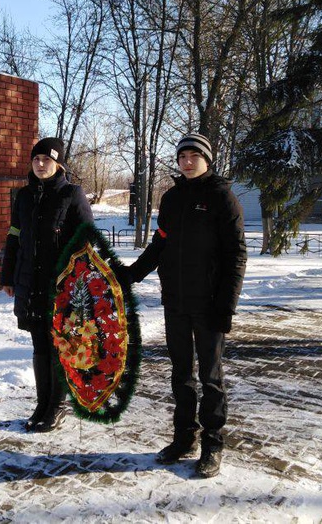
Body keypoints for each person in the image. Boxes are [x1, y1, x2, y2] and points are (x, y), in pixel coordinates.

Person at [123, 133, 247, 478]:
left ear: (207, 159)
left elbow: (236, 255)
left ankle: (212, 444)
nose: (188, 161)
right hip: (175, 301)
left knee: (210, 377)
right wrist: (131, 274)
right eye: (182, 156)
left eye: (195, 155)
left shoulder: (223, 198)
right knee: (181, 375)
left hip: (209, 305)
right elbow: (159, 244)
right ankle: (184, 438)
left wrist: (227, 305)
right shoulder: (172, 198)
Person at [1, 137, 93, 432]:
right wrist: (7, 276)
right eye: (36, 159)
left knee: (60, 346)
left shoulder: (72, 194)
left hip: (62, 285)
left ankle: (57, 406)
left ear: (59, 164)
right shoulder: (24, 196)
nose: (41, 165)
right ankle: (42, 404)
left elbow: (86, 240)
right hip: (30, 281)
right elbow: (14, 236)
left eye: (47, 160)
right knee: (39, 343)